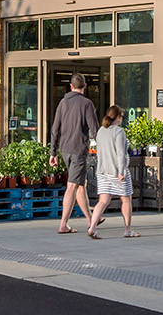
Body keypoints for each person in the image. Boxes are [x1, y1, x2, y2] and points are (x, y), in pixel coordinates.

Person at [49, 73, 99, 234]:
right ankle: (63, 224)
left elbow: (55, 129)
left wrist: (53, 152)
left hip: (65, 150)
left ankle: (91, 220)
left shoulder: (63, 103)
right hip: (78, 150)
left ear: (71, 86)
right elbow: (95, 129)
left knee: (80, 185)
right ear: (85, 87)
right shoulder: (87, 104)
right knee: (72, 186)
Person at [87, 105, 137, 238]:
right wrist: (121, 171)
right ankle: (128, 230)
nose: (122, 119)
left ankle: (92, 227)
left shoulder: (101, 131)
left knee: (102, 201)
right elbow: (120, 152)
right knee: (126, 200)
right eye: (121, 116)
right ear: (118, 117)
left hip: (103, 171)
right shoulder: (119, 132)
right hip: (117, 171)